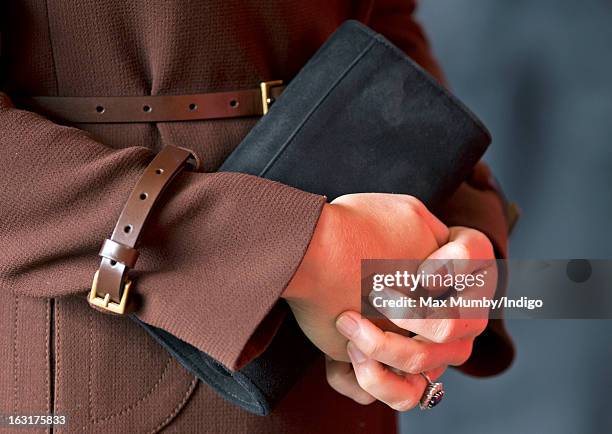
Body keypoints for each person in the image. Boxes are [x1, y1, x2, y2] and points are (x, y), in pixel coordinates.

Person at [0, 0, 514, 432]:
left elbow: (383, 22)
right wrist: (303, 250)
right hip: (120, 361)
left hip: (342, 370)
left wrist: (453, 241)